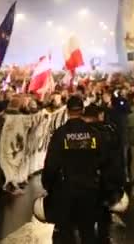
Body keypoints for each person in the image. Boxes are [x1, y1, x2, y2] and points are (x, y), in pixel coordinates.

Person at [42, 96, 112, 244]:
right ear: (82, 110)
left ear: (67, 111)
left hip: (66, 190)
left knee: (66, 232)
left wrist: (48, 186)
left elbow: (51, 165)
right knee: (87, 231)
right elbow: (105, 159)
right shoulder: (94, 133)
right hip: (90, 189)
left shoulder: (60, 134)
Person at [83, 105, 126, 244]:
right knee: (103, 212)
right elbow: (118, 156)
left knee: (87, 212)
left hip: (87, 180)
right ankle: (104, 237)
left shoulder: (81, 132)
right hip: (107, 180)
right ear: (100, 115)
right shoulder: (110, 130)